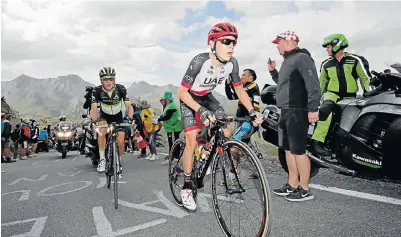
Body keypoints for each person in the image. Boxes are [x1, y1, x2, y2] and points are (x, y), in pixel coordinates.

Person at [177, 22, 263, 211]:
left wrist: (252, 111)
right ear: (213, 43)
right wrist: (200, 111)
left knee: (226, 127)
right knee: (190, 140)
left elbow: (239, 90)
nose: (231, 46)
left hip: (207, 97)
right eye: (226, 42)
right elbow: (182, 92)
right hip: (189, 99)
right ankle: (187, 186)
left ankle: (207, 152)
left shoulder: (233, 64)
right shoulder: (200, 61)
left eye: (234, 42)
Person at [267, 30, 321, 202]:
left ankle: (305, 189)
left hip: (297, 110)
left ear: (288, 41)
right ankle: (292, 184)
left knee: (298, 150)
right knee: (288, 149)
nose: (277, 46)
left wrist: (313, 108)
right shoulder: (287, 61)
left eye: (279, 42)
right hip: (285, 110)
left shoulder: (302, 58)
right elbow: (284, 84)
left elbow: (313, 84)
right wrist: (273, 72)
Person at [311, 33, 371, 156]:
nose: (327, 50)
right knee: (326, 108)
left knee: (353, 118)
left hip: (350, 96)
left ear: (338, 45)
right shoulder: (326, 64)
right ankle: (317, 141)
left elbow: (364, 78)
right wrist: (315, 102)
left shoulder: (355, 60)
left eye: (328, 46)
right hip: (331, 94)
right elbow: (321, 84)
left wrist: (368, 93)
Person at [90, 67, 133, 172]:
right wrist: (95, 121)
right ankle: (102, 160)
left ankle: (117, 159)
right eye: (105, 79)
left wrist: (130, 118)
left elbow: (129, 106)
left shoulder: (121, 89)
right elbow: (93, 109)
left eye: (111, 79)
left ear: (114, 79)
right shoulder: (97, 90)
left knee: (121, 140)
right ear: (101, 81)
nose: (108, 81)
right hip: (104, 117)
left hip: (118, 117)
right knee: (101, 131)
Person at [225, 69, 261, 179]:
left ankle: (232, 173)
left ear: (251, 77)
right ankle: (257, 169)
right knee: (243, 147)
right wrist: (227, 85)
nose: (241, 77)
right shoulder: (244, 90)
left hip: (249, 121)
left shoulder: (253, 86)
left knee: (234, 146)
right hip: (241, 121)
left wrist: (233, 83)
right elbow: (231, 96)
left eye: (244, 75)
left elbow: (240, 91)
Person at [158, 91, 183, 165]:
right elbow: (165, 115)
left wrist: (158, 119)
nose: (163, 100)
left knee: (172, 142)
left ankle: (172, 158)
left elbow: (168, 116)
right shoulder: (169, 105)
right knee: (174, 142)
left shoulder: (171, 106)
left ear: (167, 99)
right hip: (172, 127)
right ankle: (175, 157)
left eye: (164, 99)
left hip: (174, 127)